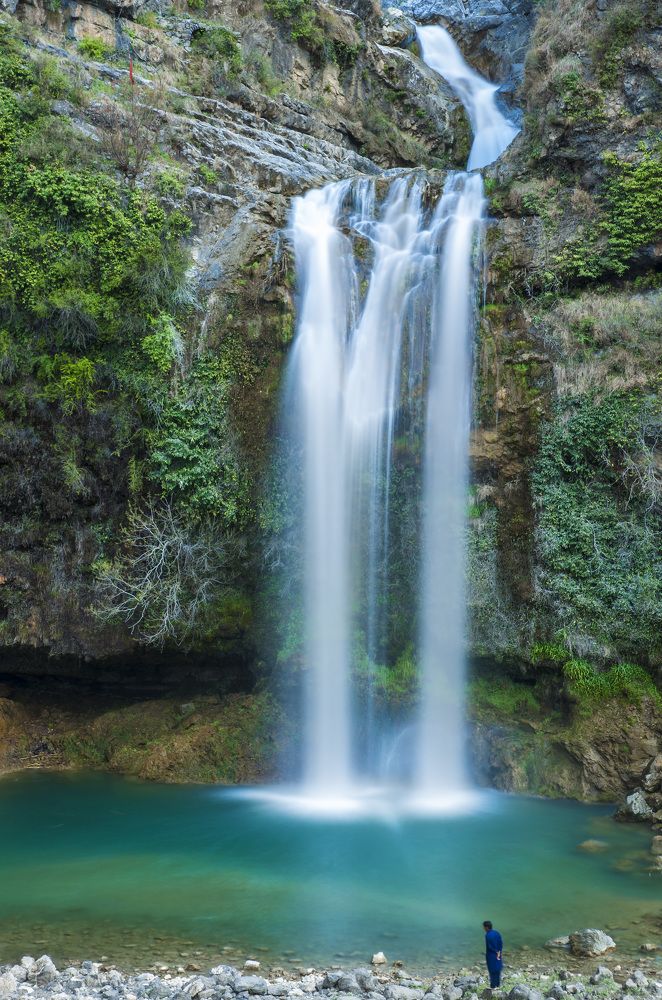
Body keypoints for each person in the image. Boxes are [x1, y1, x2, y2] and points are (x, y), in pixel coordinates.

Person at [483, 920, 503, 989]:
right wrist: (499, 952)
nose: (484, 929)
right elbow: (501, 943)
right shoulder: (497, 933)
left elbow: (489, 947)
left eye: (484, 927)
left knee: (492, 970)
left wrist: (495, 951)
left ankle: (493, 986)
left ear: (486, 927)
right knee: (497, 969)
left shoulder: (487, 935)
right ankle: (498, 984)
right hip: (499, 954)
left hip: (491, 955)